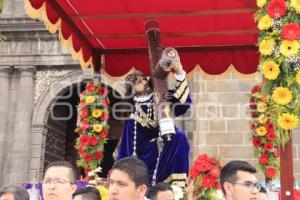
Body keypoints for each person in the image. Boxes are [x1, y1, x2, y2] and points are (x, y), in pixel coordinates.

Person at [117, 54, 191, 187]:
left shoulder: (159, 94)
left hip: (166, 145)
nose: (145, 82)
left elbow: (181, 101)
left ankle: (178, 185)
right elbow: (130, 145)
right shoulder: (132, 115)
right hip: (146, 155)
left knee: (179, 135)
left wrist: (179, 72)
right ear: (132, 89)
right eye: (139, 82)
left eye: (144, 79)